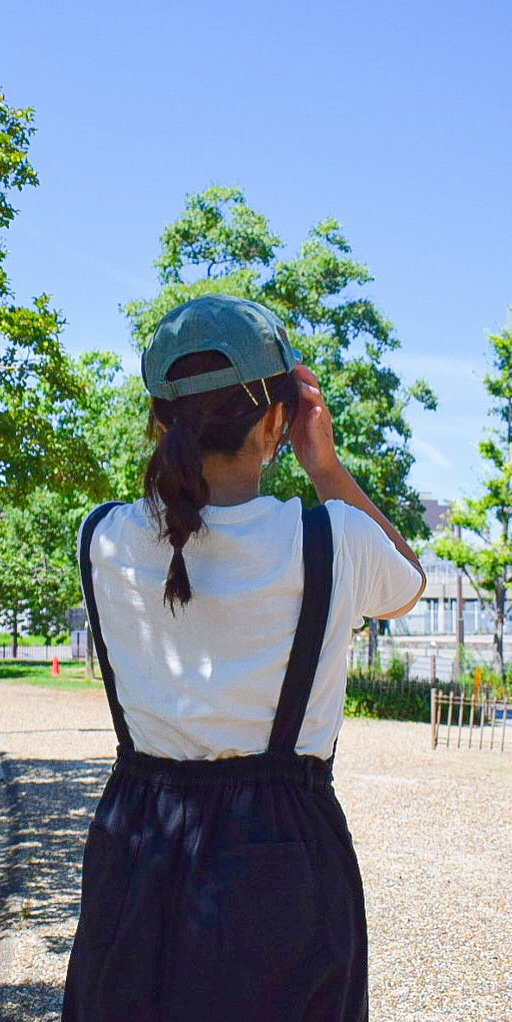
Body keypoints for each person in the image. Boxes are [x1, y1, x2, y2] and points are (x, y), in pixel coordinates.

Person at [62, 294, 425, 1022]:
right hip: (284, 850)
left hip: (138, 837)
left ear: (160, 421)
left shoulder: (100, 537)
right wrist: (324, 464)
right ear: (275, 422)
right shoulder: (332, 539)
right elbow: (407, 584)